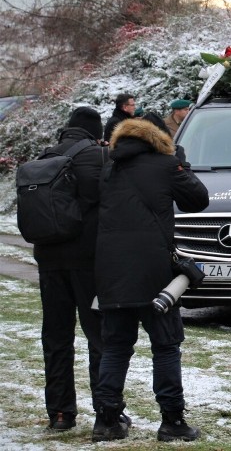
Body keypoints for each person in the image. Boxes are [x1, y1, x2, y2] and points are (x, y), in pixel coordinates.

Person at [91, 117, 209, 442]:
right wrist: (180, 163)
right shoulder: (168, 165)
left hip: (111, 270)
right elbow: (199, 200)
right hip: (155, 271)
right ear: (159, 139)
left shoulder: (108, 169)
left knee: (115, 347)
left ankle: (106, 421)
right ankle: (172, 421)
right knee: (166, 347)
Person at [33, 107, 113, 431]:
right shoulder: (100, 157)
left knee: (56, 337)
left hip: (49, 260)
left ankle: (61, 413)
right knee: (99, 337)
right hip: (88, 263)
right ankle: (105, 412)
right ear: (97, 133)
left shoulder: (43, 157)